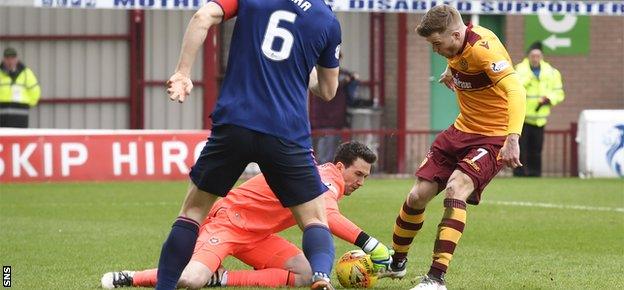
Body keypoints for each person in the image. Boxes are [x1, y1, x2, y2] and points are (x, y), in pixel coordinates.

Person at [160, 1, 343, 289]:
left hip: (235, 122)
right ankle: (320, 276)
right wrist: (301, 67)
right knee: (314, 220)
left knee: (192, 212)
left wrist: (183, 72)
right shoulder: (327, 20)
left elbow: (202, 16)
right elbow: (328, 90)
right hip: (286, 131)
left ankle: (165, 286)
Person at [101, 142, 392, 289]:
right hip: (228, 223)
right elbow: (325, 215)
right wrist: (371, 244)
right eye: (358, 174)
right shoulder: (327, 178)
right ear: (340, 167)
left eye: (366, 177)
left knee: (304, 273)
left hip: (258, 236)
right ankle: (131, 277)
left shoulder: (326, 178)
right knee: (190, 280)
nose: (360, 182)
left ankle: (223, 279)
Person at [382, 5, 526, 290]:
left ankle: (436, 279)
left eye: (437, 43)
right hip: (460, 130)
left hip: (493, 137)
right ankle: (397, 263)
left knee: (456, 188)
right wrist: (451, 69)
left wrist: (513, 138)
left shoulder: (486, 50)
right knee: (416, 196)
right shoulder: (456, 47)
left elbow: (516, 90)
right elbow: (460, 57)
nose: (435, 50)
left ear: (457, 34)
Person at [513, 42, 565, 177]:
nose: (535, 58)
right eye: (533, 55)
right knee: (521, 148)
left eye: (538, 56)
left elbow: (559, 93)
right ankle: (519, 173)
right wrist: (529, 78)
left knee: (536, 149)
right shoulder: (519, 70)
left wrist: (549, 99)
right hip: (522, 118)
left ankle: (535, 173)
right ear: (528, 56)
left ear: (542, 57)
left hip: (539, 119)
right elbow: (515, 88)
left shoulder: (552, 72)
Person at [309, 53, 359, 164]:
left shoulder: (322, 73)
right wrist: (349, 79)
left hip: (328, 122)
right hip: (325, 121)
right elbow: (335, 84)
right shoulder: (321, 75)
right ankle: (323, 178)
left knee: (327, 154)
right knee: (324, 157)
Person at [0, 47, 41, 128]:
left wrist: (27, 105)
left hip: (21, 115)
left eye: (12, 58)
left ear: (17, 59)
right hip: (2, 115)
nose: (10, 61)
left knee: (19, 138)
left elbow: (35, 91)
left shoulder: (26, 73)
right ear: (3, 59)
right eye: (7, 58)